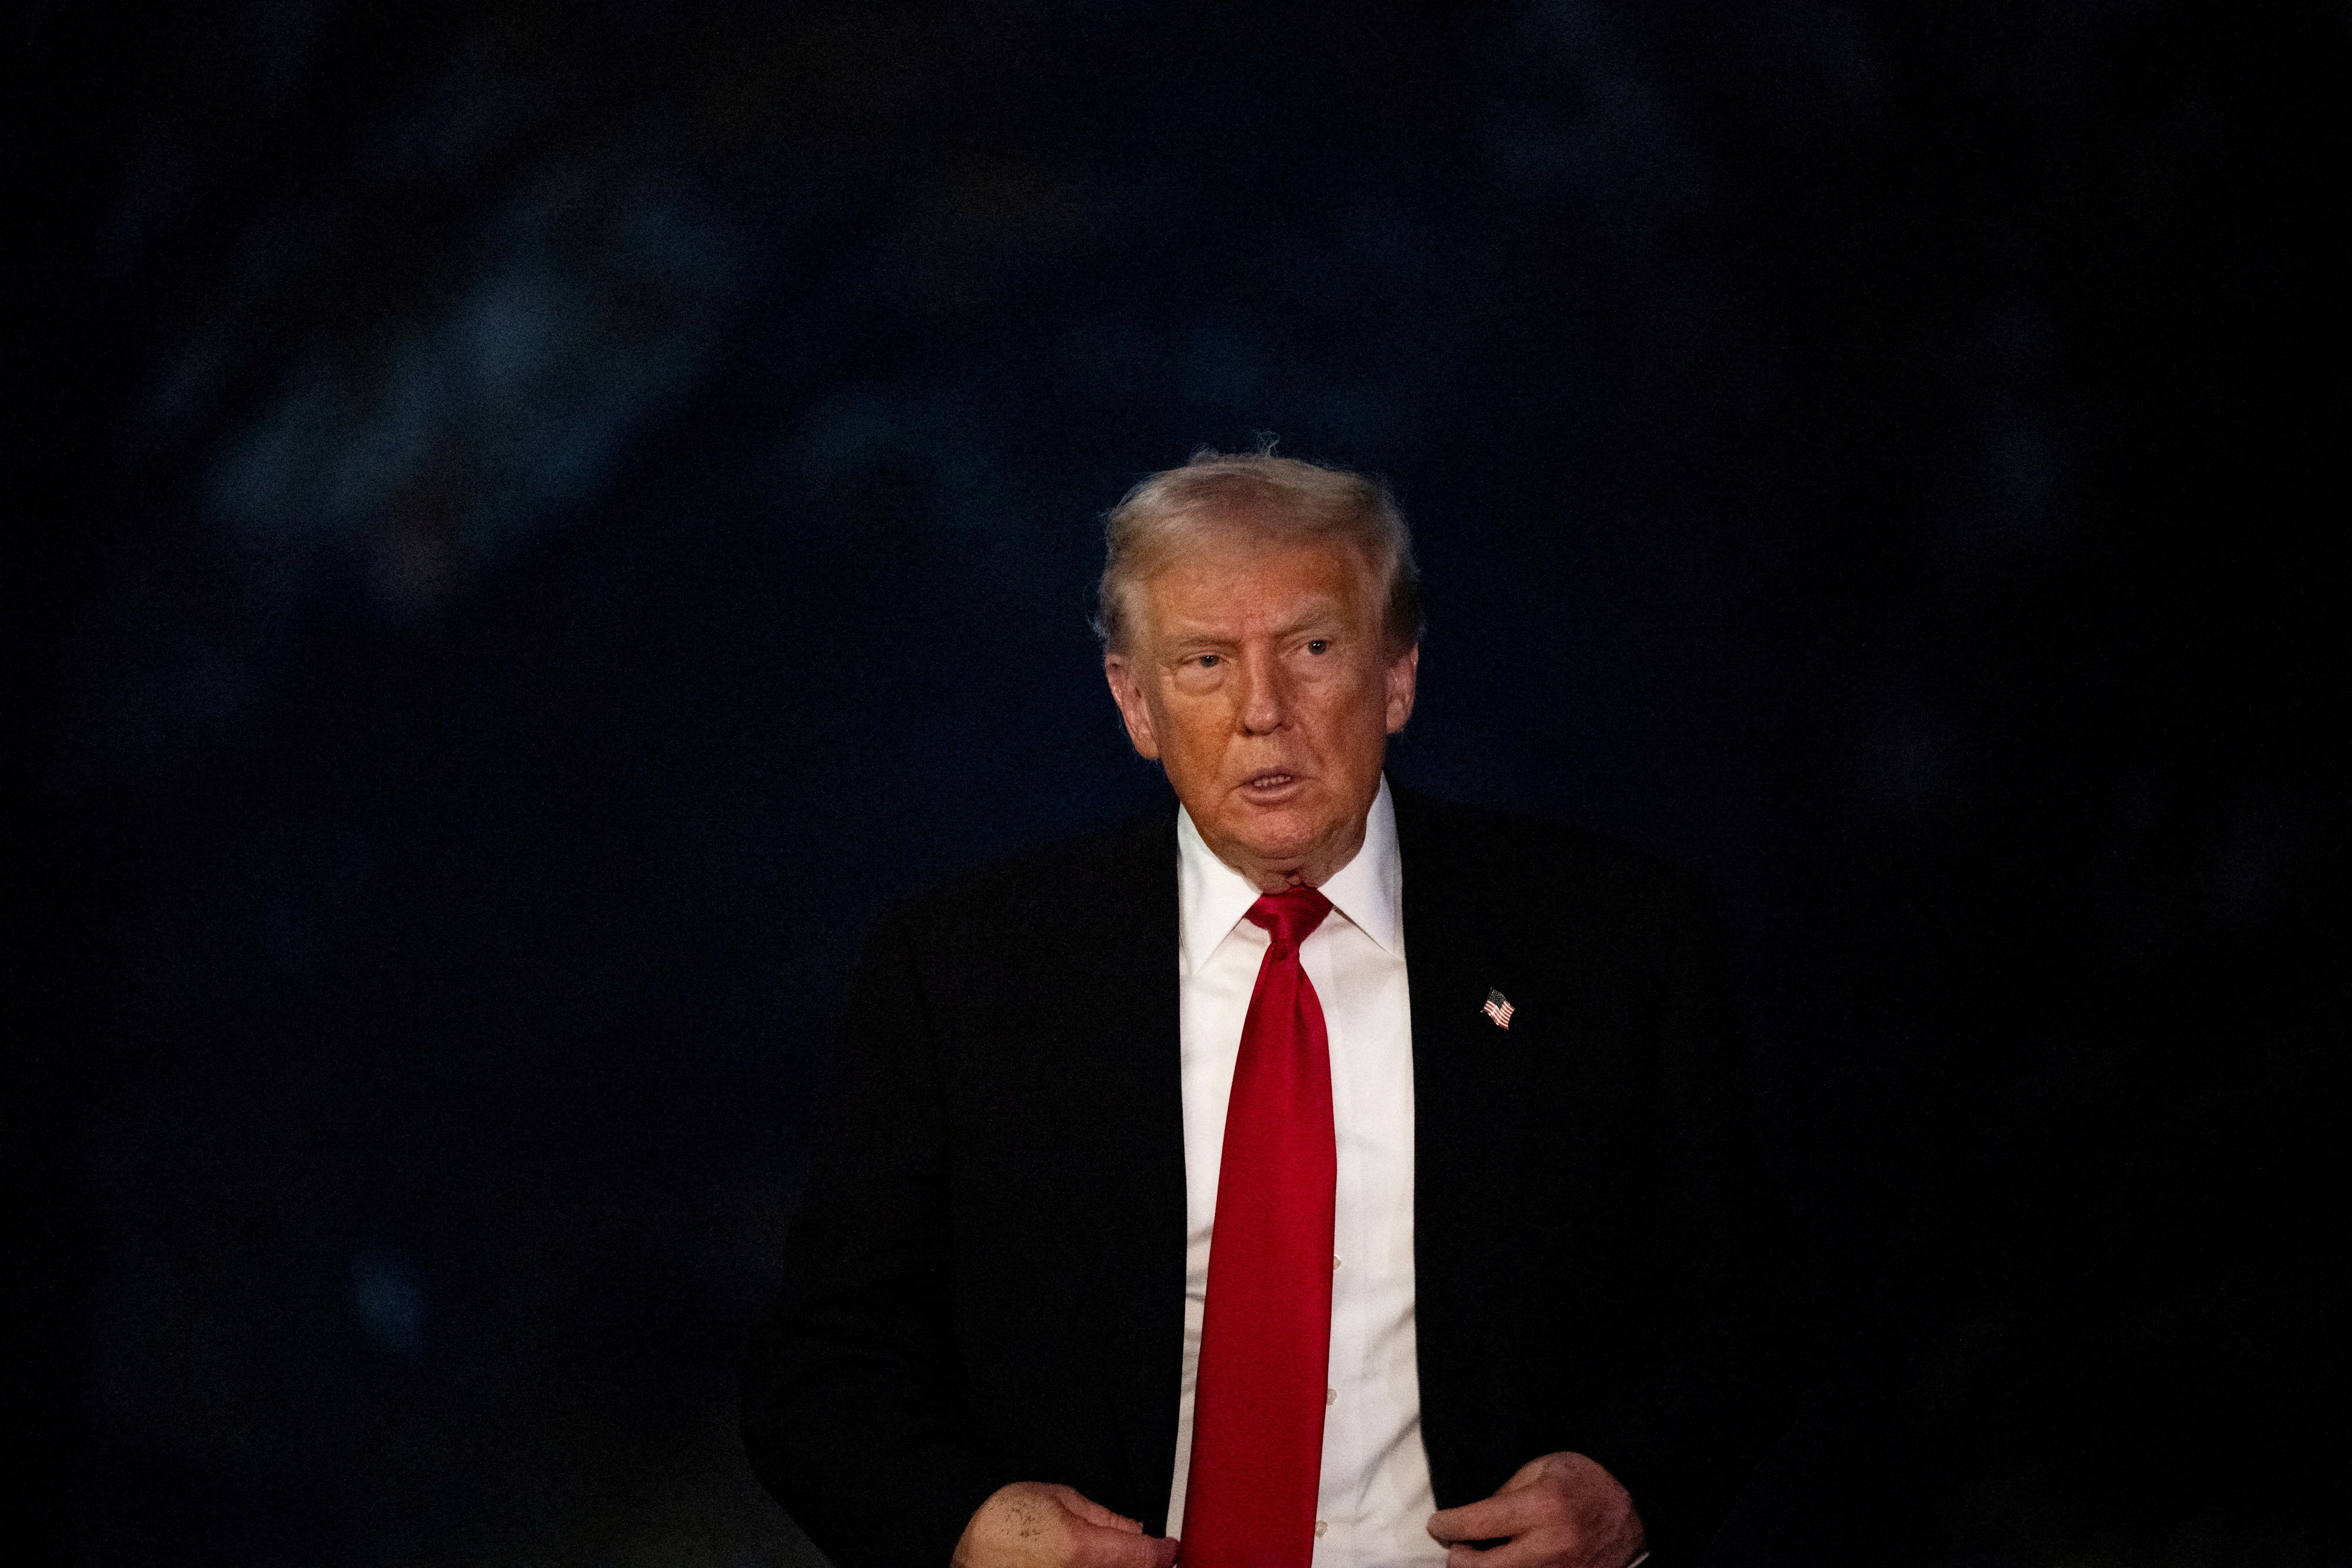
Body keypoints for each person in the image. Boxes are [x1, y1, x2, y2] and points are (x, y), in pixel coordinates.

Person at [742, 452, 1810, 1568]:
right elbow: (825, 1364)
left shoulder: (1611, 942)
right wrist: (967, 1527)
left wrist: (1628, 1489)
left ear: (1397, 676)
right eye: (1205, 661)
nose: (1264, 712)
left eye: (1311, 650)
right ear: (1135, 704)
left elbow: (1745, 1312)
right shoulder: (961, 972)